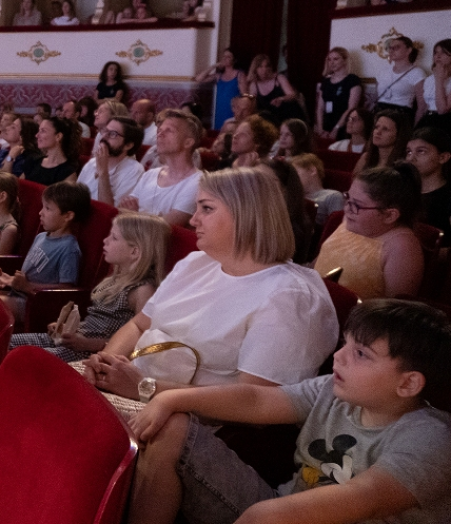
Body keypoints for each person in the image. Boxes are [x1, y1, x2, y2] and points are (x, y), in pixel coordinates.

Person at [127, 299, 451, 524]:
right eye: (346, 344)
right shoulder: (332, 389)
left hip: (278, 516)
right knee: (172, 427)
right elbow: (256, 400)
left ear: (408, 384)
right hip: (276, 510)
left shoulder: (432, 439)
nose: (339, 357)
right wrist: (171, 398)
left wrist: (267, 515)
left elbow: (367, 497)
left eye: (361, 354)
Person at [85, 166, 337, 409]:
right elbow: (139, 325)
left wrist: (144, 387)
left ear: (246, 214)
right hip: (135, 385)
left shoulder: (289, 297)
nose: (193, 220)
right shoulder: (196, 263)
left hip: (187, 415)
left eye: (206, 208)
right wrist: (103, 367)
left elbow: (254, 403)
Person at [10, 212, 169, 362]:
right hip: (74, 341)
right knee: (6, 342)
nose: (105, 241)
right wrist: (66, 328)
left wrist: (87, 343)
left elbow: (139, 341)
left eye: (114, 238)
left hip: (89, 353)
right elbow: (96, 323)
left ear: (134, 251)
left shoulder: (142, 289)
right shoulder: (116, 278)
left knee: (24, 358)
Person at [314, 164, 424, 299]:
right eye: (348, 198)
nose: (347, 208)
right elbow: (322, 260)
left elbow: (393, 308)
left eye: (356, 204)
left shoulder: (402, 248)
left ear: (389, 215)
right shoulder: (351, 220)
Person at [0, 182, 90, 324]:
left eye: (48, 208)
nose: (40, 212)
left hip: (35, 305)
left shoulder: (69, 248)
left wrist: (27, 286)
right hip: (19, 295)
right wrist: (12, 280)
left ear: (68, 216)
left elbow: (66, 289)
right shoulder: (41, 236)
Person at [121, 110, 203, 227]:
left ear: (188, 142)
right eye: (159, 130)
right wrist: (134, 215)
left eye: (169, 130)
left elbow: (163, 228)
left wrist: (134, 214)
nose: (159, 134)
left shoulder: (198, 182)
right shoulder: (150, 174)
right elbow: (123, 211)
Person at [77, 115, 145, 206]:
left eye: (113, 134)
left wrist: (103, 173)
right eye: (105, 131)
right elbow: (75, 197)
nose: (104, 137)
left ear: (128, 145)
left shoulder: (134, 170)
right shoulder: (92, 163)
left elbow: (110, 211)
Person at [406, 127, 451, 243]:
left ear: (443, 157)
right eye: (409, 152)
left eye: (421, 151)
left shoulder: (447, 198)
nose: (411, 158)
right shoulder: (404, 191)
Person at [315, 47, 363, 141]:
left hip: (344, 125)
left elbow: (351, 108)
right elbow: (320, 108)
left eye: (336, 59)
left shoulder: (352, 80)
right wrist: (320, 129)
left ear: (344, 61)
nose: (332, 62)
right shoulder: (326, 81)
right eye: (329, 59)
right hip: (326, 125)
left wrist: (336, 128)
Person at [194, 49, 248, 130]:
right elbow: (199, 79)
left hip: (233, 110)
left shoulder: (239, 74)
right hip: (219, 109)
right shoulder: (218, 76)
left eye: (228, 57)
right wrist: (214, 66)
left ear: (234, 60)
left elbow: (244, 95)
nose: (225, 58)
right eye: (224, 56)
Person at [247, 54, 305, 125]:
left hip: (288, 115)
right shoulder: (254, 85)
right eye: (260, 67)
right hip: (270, 119)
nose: (264, 70)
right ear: (255, 69)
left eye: (266, 66)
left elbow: (293, 95)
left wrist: (282, 99)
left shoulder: (279, 78)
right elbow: (252, 104)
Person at [290, 153, 344, 230]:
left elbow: (336, 228)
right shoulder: (294, 196)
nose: (292, 178)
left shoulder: (332, 196)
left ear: (312, 171)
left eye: (295, 173)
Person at [375, 36, 425, 116]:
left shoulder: (417, 73)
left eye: (396, 47)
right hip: (380, 112)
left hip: (401, 114)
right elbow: (376, 98)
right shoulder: (382, 72)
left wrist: (416, 123)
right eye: (390, 48)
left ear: (408, 50)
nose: (391, 51)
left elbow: (422, 105)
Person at [22, 116, 80, 186]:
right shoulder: (32, 161)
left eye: (43, 131)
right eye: (39, 130)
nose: (37, 135)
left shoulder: (68, 174)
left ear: (58, 136)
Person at [354, 109, 411, 175]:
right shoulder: (365, 158)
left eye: (385, 129)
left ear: (398, 135)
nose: (378, 132)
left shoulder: (404, 164)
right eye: (376, 127)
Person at [415, 38, 451, 133]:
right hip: (428, 118)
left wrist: (439, 80)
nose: (438, 56)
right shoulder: (429, 79)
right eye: (435, 52)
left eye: (443, 52)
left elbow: (442, 110)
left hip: (444, 122)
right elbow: (425, 106)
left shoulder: (439, 79)